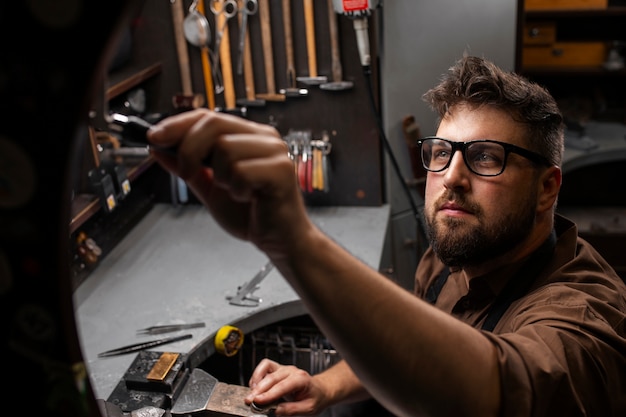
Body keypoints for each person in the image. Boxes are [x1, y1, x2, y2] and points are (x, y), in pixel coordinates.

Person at [146, 55, 626, 417]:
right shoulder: (457, 251)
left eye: (484, 157)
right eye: (441, 152)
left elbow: (488, 389)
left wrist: (291, 237)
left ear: (547, 189)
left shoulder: (586, 319)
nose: (451, 177)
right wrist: (325, 386)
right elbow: (412, 344)